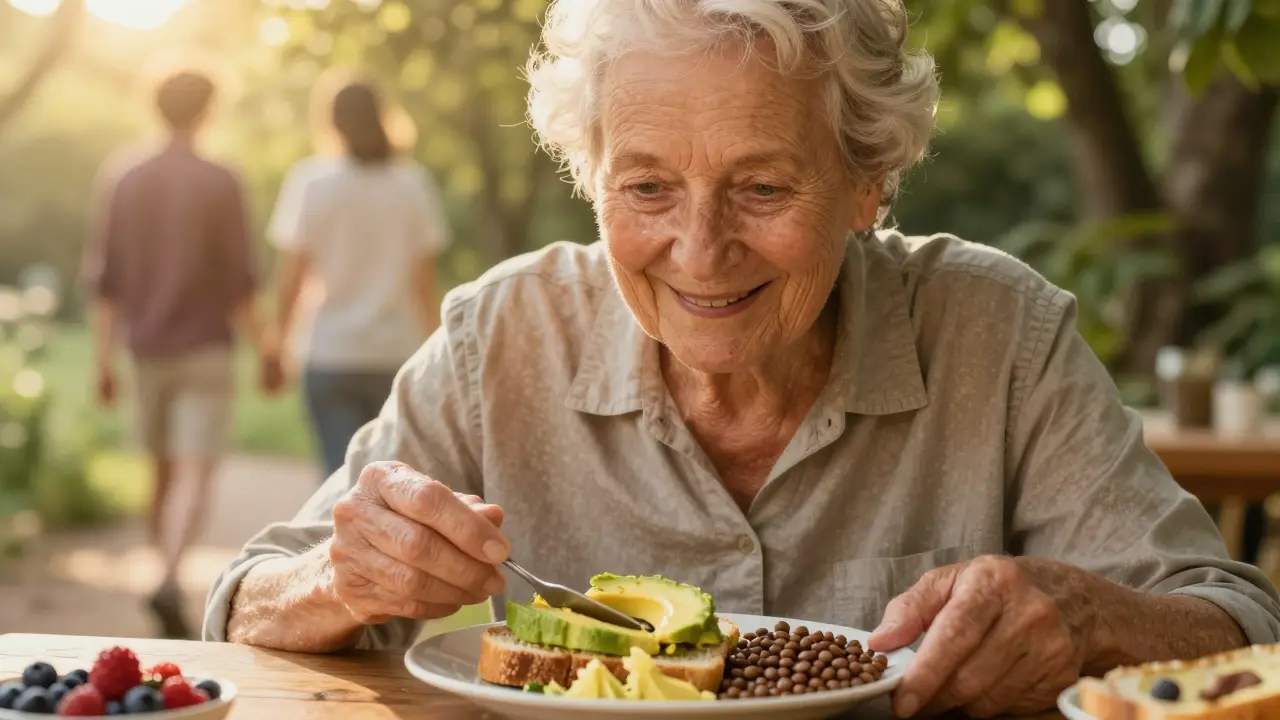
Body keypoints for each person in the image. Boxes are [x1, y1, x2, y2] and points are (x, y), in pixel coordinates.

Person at [202, 0, 1280, 715]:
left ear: (870, 184)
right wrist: (342, 576)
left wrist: (1093, 619)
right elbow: (248, 602)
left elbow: (1238, 626)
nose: (699, 251)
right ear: (591, 181)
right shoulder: (502, 335)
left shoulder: (995, 333)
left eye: (763, 188)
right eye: (645, 188)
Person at [84, 68, 282, 639]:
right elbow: (242, 282)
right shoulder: (221, 181)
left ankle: (162, 570)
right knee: (194, 469)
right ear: (208, 111)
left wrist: (101, 361)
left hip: (144, 348)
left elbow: (106, 281)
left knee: (162, 469)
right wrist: (268, 348)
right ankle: (169, 574)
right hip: (206, 347)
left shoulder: (124, 176)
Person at [265, 77, 451, 478]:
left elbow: (292, 280)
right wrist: (440, 358)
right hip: (394, 355)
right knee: (392, 481)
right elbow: (424, 286)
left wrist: (274, 345)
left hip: (329, 353)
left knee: (339, 479)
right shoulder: (412, 185)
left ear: (331, 123)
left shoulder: (311, 182)